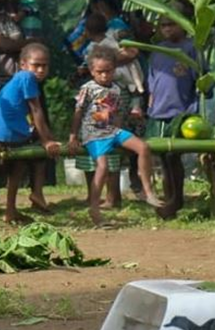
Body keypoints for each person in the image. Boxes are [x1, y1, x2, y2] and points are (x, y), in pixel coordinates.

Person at [69, 46, 163, 226]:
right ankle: (94, 207)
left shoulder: (117, 89)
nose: (104, 75)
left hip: (113, 131)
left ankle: (148, 191)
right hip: (93, 133)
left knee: (143, 147)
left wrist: (120, 135)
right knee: (102, 167)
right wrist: (73, 136)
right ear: (92, 71)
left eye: (108, 71)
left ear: (114, 70)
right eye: (100, 72)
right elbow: (78, 112)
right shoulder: (87, 88)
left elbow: (118, 113)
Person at [0, 43, 61, 222]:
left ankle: (11, 210)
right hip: (7, 133)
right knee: (36, 154)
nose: (40, 69)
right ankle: (35, 194)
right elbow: (36, 111)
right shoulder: (26, 78)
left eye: (44, 65)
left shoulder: (20, 79)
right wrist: (47, 141)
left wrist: (47, 137)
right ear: (23, 64)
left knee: (20, 162)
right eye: (36, 65)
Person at [81, 11, 146, 206]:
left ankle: (110, 196)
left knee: (107, 144)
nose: (103, 73)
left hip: (113, 102)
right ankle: (105, 197)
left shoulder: (94, 49)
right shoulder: (112, 42)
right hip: (121, 96)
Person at [147, 8, 206, 219]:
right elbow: (152, 83)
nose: (167, 29)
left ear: (182, 23)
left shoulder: (191, 49)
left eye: (171, 24)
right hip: (159, 112)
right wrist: (149, 108)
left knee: (174, 156)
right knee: (163, 158)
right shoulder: (157, 50)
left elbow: (200, 82)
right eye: (163, 25)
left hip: (181, 111)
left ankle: (176, 198)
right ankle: (169, 198)